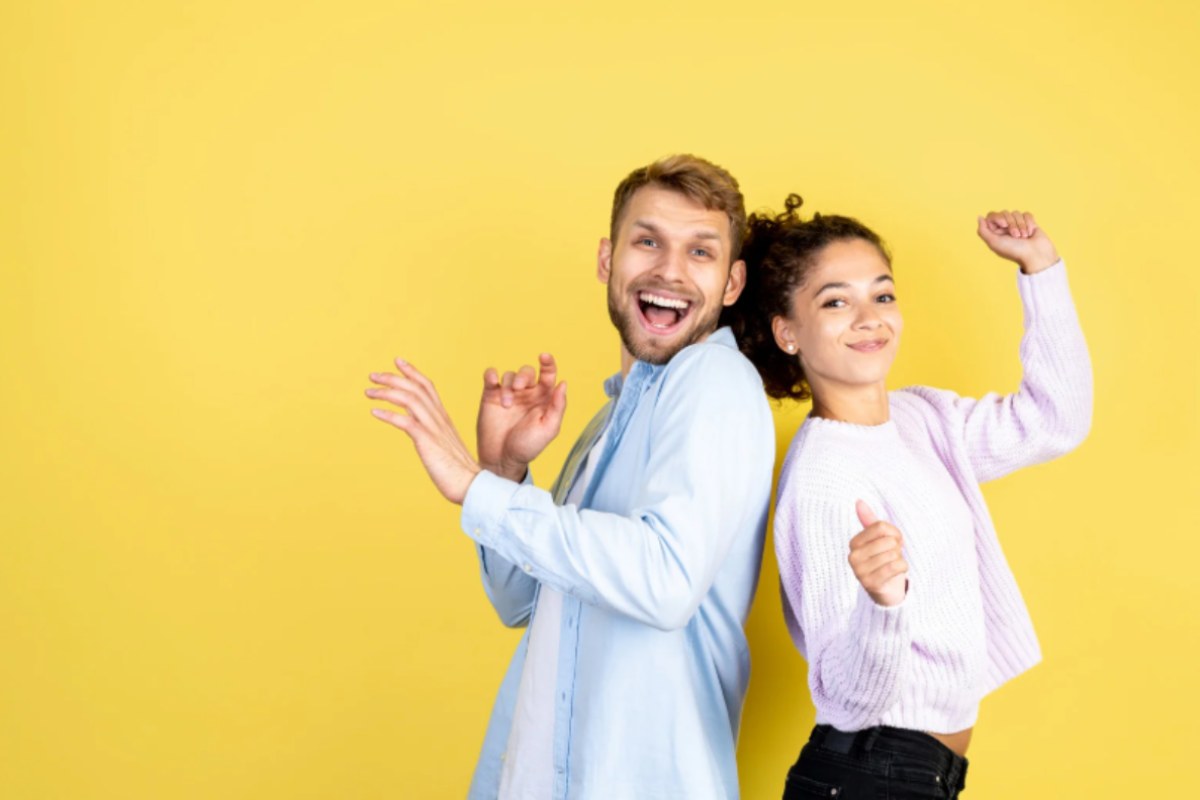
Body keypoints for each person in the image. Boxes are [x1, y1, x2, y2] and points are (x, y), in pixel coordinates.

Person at [365, 155, 775, 799]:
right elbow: (520, 601)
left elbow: (665, 582)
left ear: (731, 283)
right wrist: (507, 470)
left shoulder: (713, 379)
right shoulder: (612, 419)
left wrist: (476, 488)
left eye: (701, 251)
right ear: (607, 260)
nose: (669, 270)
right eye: (648, 242)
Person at [723, 196, 1092, 798]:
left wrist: (1041, 269)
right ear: (787, 333)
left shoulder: (923, 418)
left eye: (883, 294)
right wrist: (882, 605)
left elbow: (1055, 423)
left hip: (913, 774)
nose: (869, 317)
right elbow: (846, 698)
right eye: (836, 301)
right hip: (870, 775)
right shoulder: (822, 475)